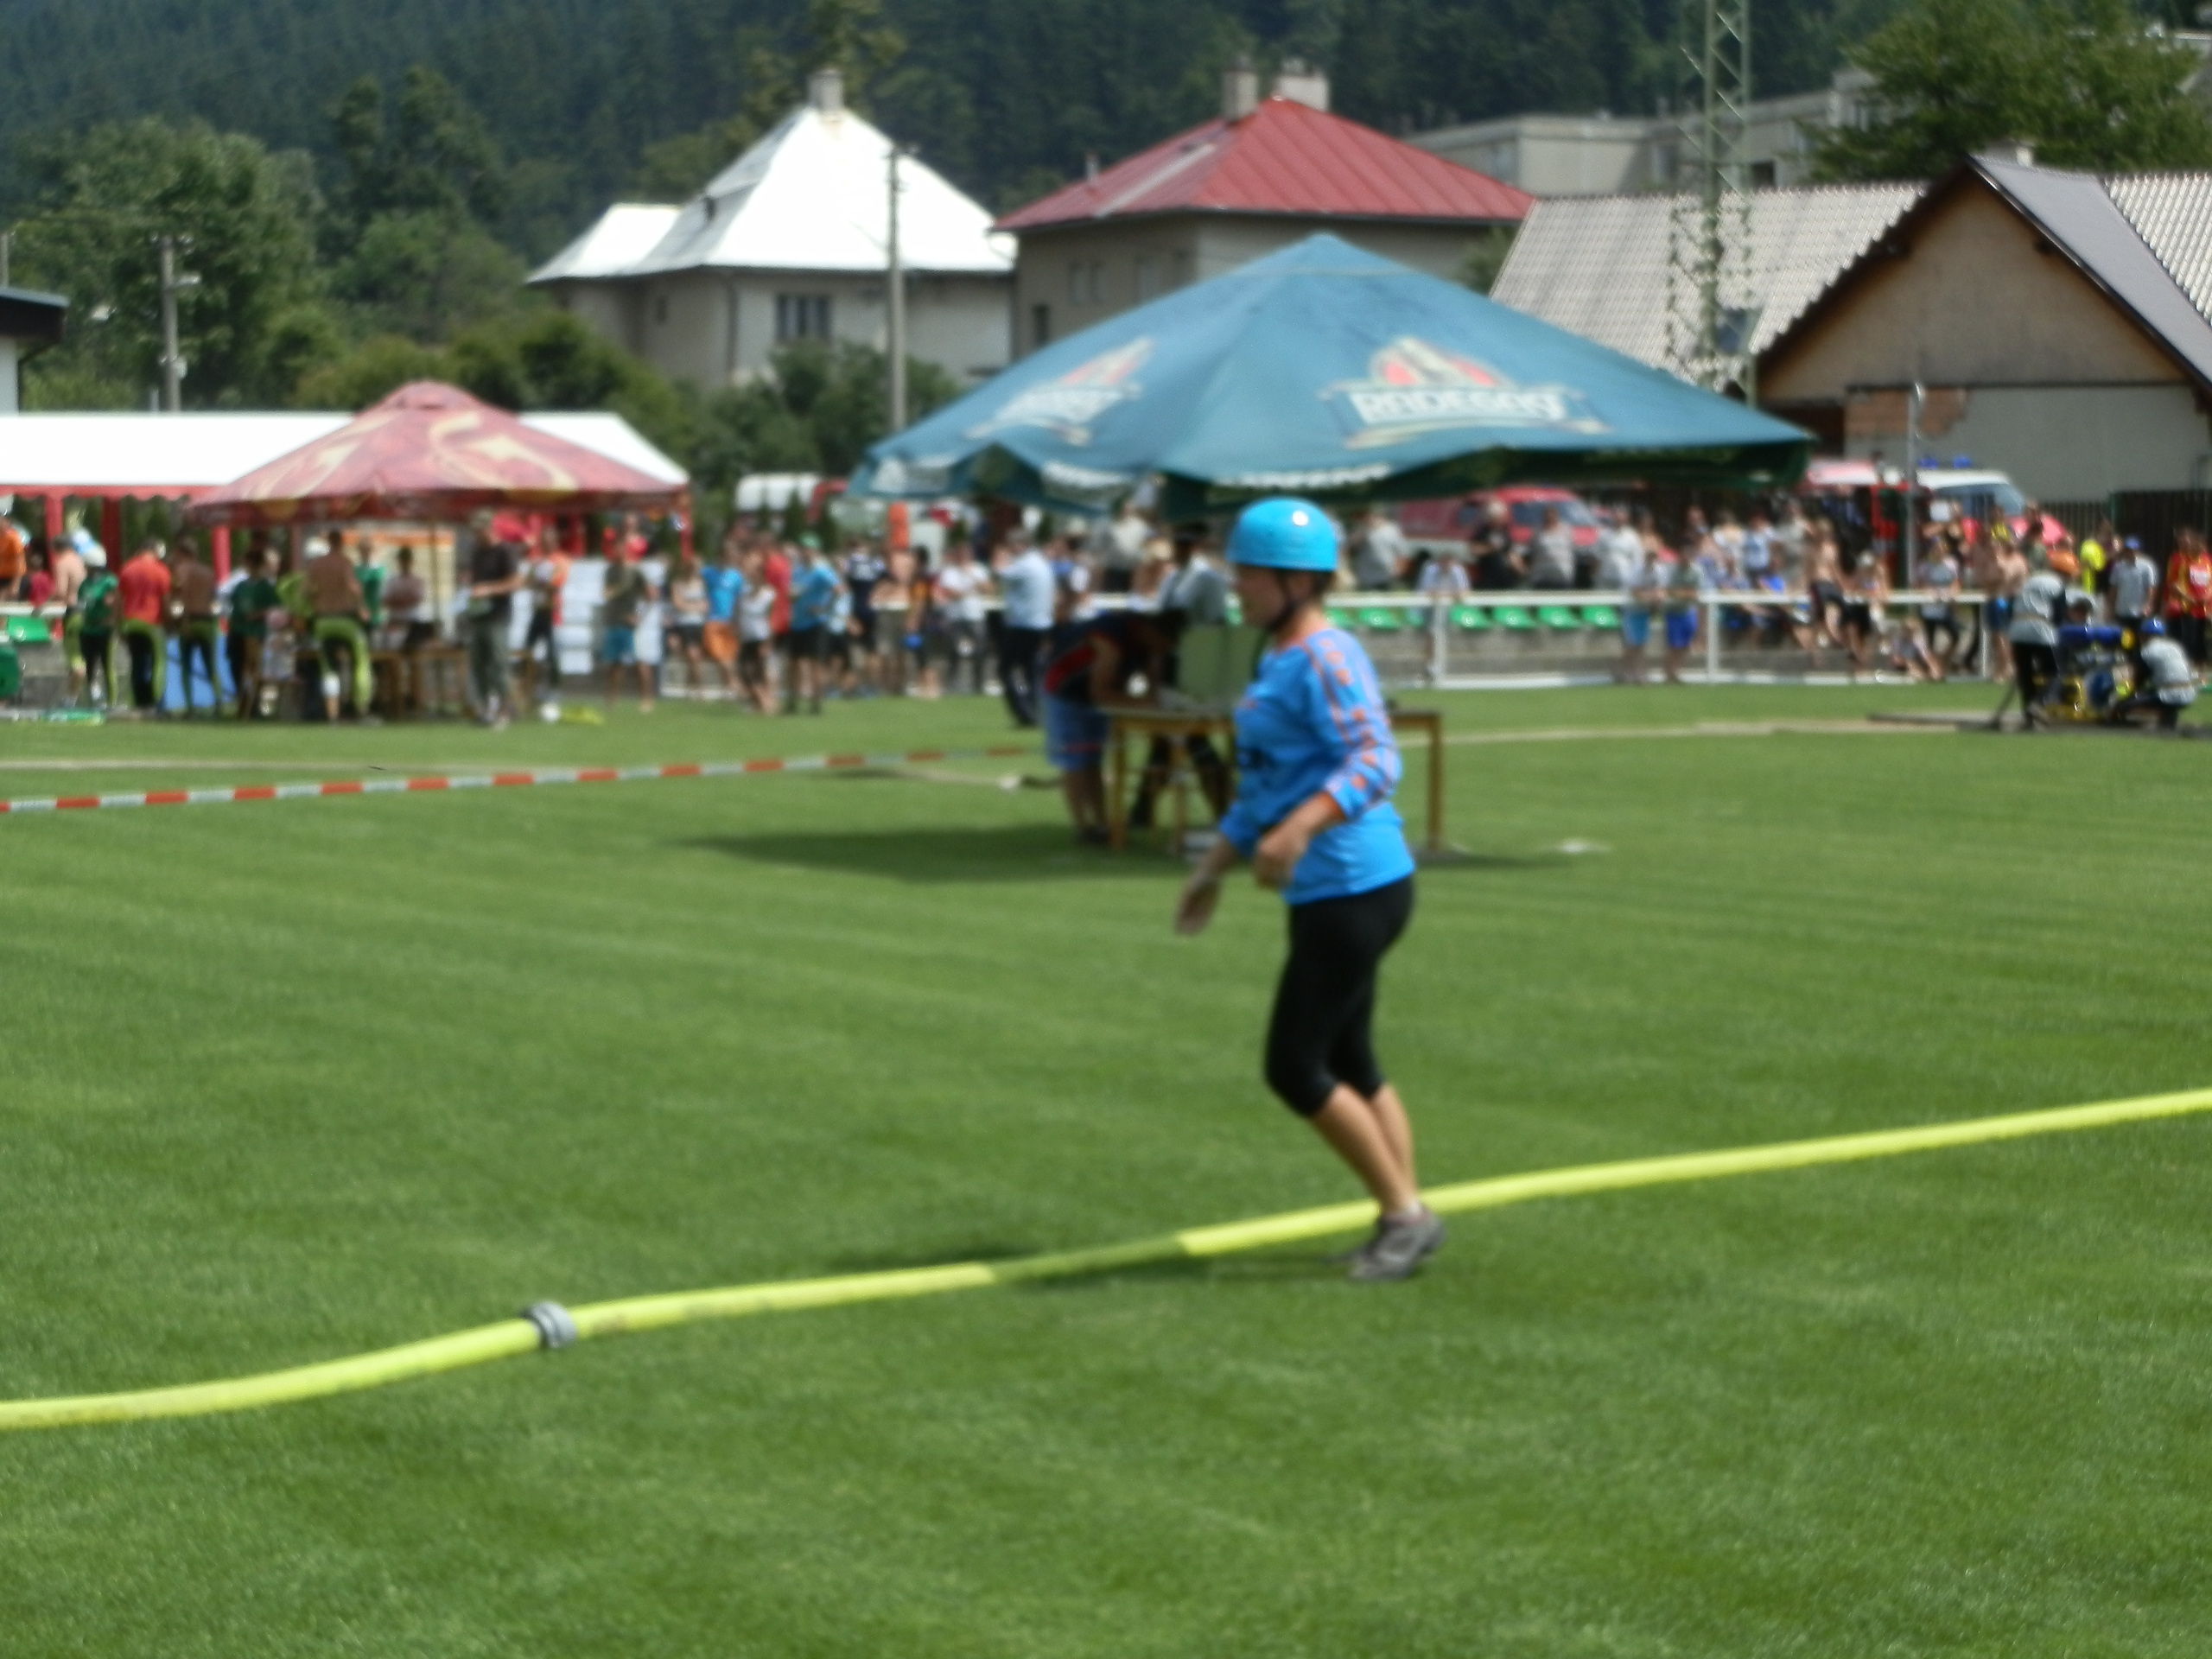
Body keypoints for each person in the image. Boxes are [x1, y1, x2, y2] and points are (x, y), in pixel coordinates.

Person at [1173, 497, 1439, 1283]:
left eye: (1249, 576)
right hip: (1331, 890)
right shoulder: (1280, 657)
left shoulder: (1327, 656)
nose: (1237, 588)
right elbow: (1264, 790)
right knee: (1351, 1059)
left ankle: (1405, 1217)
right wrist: (1212, 870)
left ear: (1296, 581)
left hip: (1354, 886)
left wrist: (1297, 831)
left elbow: (1376, 759)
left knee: (1294, 1066)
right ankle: (1404, 1215)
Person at [1039, 604, 1182, 843]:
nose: (1164, 651)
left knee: (1093, 760)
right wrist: (1145, 704)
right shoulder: (1111, 638)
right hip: (1065, 692)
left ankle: (1103, 823)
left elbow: (1151, 686)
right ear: (1153, 633)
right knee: (1075, 761)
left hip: (1094, 698)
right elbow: (1100, 692)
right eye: (1164, 645)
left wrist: (1154, 696)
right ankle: (1083, 827)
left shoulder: (1146, 644)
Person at [302, 533, 371, 722]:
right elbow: (353, 588)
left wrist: (317, 599)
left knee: (328, 666)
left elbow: (305, 592)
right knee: (360, 660)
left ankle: (332, 713)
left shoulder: (316, 565)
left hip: (323, 621)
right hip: (345, 620)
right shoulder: (344, 563)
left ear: (328, 543)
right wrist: (361, 606)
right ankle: (360, 707)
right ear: (341, 543)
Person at [995, 528, 1055, 728]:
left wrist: (999, 557)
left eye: (1012, 545)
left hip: (1023, 625)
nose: (1010, 549)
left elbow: (999, 573)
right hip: (1041, 624)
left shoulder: (1025, 565)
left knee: (1006, 669)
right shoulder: (1041, 562)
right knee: (1031, 671)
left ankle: (1024, 712)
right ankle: (1035, 711)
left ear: (1022, 545)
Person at [116, 537, 173, 712]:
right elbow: (165, 600)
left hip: (131, 621)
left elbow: (119, 600)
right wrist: (170, 621)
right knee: (158, 663)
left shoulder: (127, 568)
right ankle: (157, 702)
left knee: (138, 663)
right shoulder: (160, 570)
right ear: (156, 551)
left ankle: (139, 701)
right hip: (152, 623)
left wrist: (119, 625)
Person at [2008, 554, 2066, 723]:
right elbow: (2059, 615)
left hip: (2017, 629)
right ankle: (2039, 703)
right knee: (2056, 673)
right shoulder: (2057, 584)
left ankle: (2029, 716)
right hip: (2040, 628)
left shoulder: (2029, 580)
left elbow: (2012, 603)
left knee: (2026, 675)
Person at [785, 540, 841, 714]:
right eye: (803, 550)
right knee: (794, 664)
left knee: (815, 664)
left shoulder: (822, 571)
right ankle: (793, 701)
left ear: (815, 552)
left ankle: (817, 703)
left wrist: (825, 608)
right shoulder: (797, 571)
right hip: (797, 622)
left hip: (815, 623)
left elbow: (838, 590)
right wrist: (792, 597)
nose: (806, 553)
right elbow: (791, 593)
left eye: (809, 550)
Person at [226, 546, 279, 720]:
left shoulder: (265, 587)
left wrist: (257, 615)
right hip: (237, 630)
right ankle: (242, 700)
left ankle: (251, 704)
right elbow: (232, 604)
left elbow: (274, 607)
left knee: (252, 668)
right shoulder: (240, 586)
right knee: (237, 667)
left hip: (254, 632)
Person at [2113, 618, 2196, 728]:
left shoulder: (2147, 651)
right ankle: (2167, 714)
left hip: (2170, 694)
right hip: (2190, 692)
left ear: (2145, 635)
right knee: (2151, 694)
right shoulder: (2175, 647)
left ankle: (2158, 718)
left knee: (2122, 707)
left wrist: (2122, 698)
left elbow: (2138, 680)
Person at [600, 543, 653, 714]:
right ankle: (612, 700)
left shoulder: (635, 571)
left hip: (630, 624)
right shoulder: (610, 572)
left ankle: (646, 699)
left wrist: (639, 616)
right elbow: (607, 593)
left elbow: (651, 595)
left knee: (639, 663)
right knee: (615, 664)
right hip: (614, 622)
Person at [169, 537, 220, 715]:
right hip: (207, 621)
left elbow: (179, 599)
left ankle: (190, 706)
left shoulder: (181, 571)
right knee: (211, 666)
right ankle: (218, 703)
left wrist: (180, 621)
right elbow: (214, 599)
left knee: (186, 667)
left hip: (189, 620)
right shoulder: (208, 572)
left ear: (182, 553)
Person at [933, 541, 992, 695]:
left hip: (975, 615)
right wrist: (972, 591)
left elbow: (988, 588)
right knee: (953, 650)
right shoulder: (949, 572)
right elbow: (951, 593)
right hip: (956, 617)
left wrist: (971, 576)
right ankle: (952, 684)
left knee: (980, 650)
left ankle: (979, 684)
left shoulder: (978, 570)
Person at [522, 525, 569, 712]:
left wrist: (539, 582)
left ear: (555, 542)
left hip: (552, 612)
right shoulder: (538, 561)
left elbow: (555, 583)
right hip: (538, 610)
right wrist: (539, 582)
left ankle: (554, 688)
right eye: (543, 542)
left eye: (548, 541)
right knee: (528, 650)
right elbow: (528, 581)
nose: (545, 545)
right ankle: (529, 687)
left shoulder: (561, 560)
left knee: (553, 653)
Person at [702, 535, 747, 701]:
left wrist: (739, 620)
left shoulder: (736, 576)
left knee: (729, 657)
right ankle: (737, 686)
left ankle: (732, 688)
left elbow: (740, 600)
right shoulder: (707, 572)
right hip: (713, 619)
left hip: (730, 620)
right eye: (728, 554)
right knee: (719, 656)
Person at [2162, 527, 2212, 668]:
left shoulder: (2207, 560)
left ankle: (2201, 665)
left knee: (2202, 638)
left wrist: (2208, 596)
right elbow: (2173, 583)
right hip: (2187, 607)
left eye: (2202, 545)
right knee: (2189, 638)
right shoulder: (2182, 560)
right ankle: (2186, 665)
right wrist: (2189, 598)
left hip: (2205, 608)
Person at [77, 544, 119, 709]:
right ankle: (92, 698)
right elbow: (82, 603)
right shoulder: (85, 583)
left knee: (107, 665)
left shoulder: (109, 582)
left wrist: (111, 618)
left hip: (104, 630)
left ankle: (112, 701)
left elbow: (115, 602)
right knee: (89, 665)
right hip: (88, 629)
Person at [664, 551, 711, 698]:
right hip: (683, 624)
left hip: (698, 624)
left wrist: (688, 605)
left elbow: (706, 606)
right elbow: (678, 605)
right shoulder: (677, 584)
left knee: (695, 658)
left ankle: (690, 687)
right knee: (692, 656)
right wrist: (695, 606)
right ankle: (699, 689)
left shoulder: (701, 584)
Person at [736, 546, 777, 713]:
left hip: (762, 637)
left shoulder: (769, 594)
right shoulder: (744, 593)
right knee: (745, 671)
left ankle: (766, 702)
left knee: (760, 671)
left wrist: (768, 643)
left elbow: (773, 620)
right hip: (746, 637)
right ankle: (760, 702)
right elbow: (737, 613)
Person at [1659, 531, 1703, 683]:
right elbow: (1665, 590)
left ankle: (1676, 671)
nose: (1688, 556)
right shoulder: (1670, 569)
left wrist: (1680, 593)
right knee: (1674, 644)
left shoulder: (1697, 570)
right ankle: (1668, 673)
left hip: (1687, 611)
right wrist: (1683, 593)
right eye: (1686, 552)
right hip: (1672, 611)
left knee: (1685, 644)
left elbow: (1695, 593)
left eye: (1691, 552)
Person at [1917, 534, 1961, 678]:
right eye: (1937, 548)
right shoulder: (1925, 565)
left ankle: (1942, 662)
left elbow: (1956, 582)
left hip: (1945, 607)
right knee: (1930, 641)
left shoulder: (1951, 564)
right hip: (1929, 608)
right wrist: (1929, 592)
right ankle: (1933, 670)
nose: (1940, 550)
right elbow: (1919, 584)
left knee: (1955, 636)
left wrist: (1952, 593)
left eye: (1942, 548)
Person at [382, 546, 430, 650]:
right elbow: (385, 600)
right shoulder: (392, 580)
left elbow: (416, 599)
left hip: (413, 623)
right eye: (402, 560)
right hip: (395, 621)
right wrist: (402, 600)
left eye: (407, 559)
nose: (404, 562)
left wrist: (399, 600)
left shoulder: (418, 581)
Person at [1468, 501, 1523, 590]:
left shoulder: (1504, 532)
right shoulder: (1482, 533)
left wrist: (1520, 568)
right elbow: (1474, 550)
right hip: (1489, 578)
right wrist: (1490, 548)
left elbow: (1510, 551)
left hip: (1505, 578)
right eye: (1499, 517)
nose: (1503, 520)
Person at [2109, 536, 2158, 632]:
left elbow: (2151, 588)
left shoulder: (2147, 566)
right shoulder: (2118, 567)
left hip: (2139, 612)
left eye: (2133, 550)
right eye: (2128, 550)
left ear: (2138, 550)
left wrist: (2148, 605)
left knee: (2138, 637)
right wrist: (2111, 607)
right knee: (2123, 637)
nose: (2130, 553)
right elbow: (2114, 588)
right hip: (2122, 610)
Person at [1350, 507, 1407, 591]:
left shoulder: (1392, 530)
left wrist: (1399, 570)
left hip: (1387, 576)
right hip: (1367, 577)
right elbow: (1351, 549)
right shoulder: (1362, 530)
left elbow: (1401, 552)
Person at [1527, 504, 1575, 590]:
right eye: (1547, 515)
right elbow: (1530, 550)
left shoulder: (1566, 530)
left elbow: (1573, 550)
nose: (1550, 517)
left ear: (1557, 516)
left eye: (1552, 514)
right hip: (1541, 577)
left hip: (1563, 576)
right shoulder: (1537, 531)